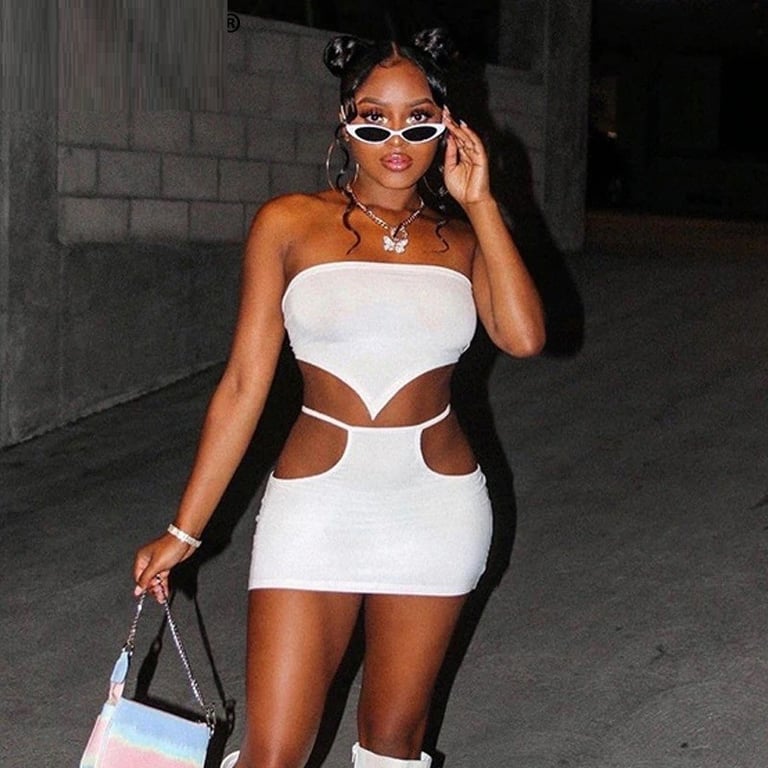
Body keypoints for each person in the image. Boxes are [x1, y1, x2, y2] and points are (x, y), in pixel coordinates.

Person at [133, 27, 545, 768]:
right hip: (315, 510)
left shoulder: (463, 239)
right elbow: (243, 384)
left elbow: (522, 336)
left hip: (435, 510)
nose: (397, 140)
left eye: (419, 120)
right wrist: (184, 530)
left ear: (447, 127)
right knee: (274, 753)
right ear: (344, 122)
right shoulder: (289, 223)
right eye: (373, 119)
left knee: (391, 742)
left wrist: (482, 204)